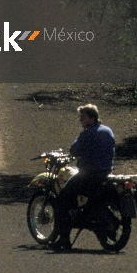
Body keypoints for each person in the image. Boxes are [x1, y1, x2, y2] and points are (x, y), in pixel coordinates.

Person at [50, 103, 115, 250]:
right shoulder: (108, 131)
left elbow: (74, 150)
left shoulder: (87, 133)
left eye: (83, 117)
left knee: (62, 200)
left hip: (88, 174)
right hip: (105, 173)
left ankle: (64, 240)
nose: (80, 120)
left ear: (91, 117)